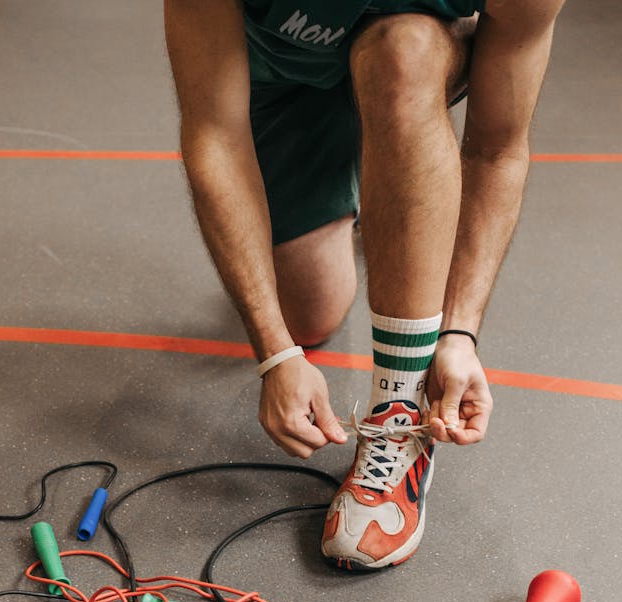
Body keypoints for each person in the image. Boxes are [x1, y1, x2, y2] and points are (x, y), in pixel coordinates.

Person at [164, 0, 566, 570]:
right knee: (309, 314)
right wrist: (276, 352)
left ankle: (400, 410)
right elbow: (215, 135)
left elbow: (496, 148)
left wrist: (456, 334)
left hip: (410, 57)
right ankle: (383, 182)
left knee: (403, 52)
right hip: (287, 77)